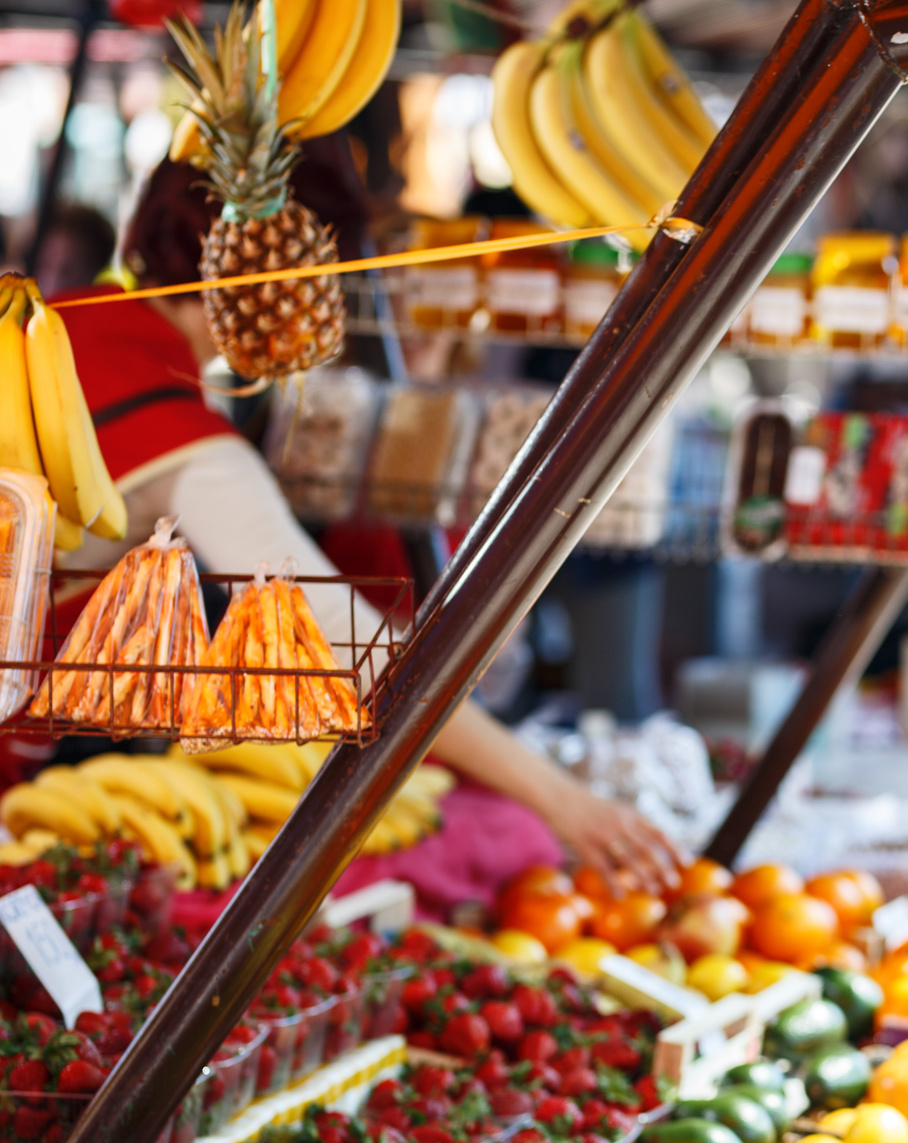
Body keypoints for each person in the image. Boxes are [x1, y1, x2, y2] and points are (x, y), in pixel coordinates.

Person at [46, 159, 678, 887]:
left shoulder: (69, 326)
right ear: (271, 275)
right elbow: (356, 649)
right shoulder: (182, 436)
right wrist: (564, 803)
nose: (327, 321)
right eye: (327, 288)